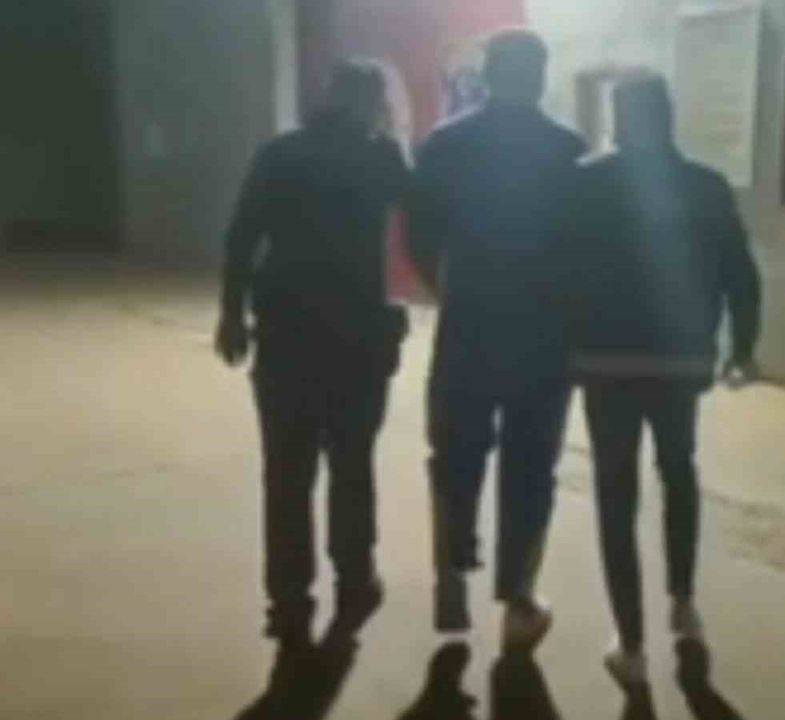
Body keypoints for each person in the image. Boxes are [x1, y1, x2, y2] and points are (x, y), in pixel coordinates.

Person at [565, 74, 762, 689]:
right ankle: (682, 600)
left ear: (618, 120)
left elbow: (556, 273)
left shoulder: (584, 184)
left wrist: (558, 345)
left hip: (606, 364)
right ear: (669, 116)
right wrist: (742, 349)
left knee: (615, 494)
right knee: (678, 472)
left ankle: (630, 645)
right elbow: (741, 275)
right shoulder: (707, 186)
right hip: (679, 363)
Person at [216, 59, 412, 650]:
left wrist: (232, 314)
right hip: (360, 338)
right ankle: (355, 578)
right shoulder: (384, 158)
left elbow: (242, 237)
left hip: (287, 335)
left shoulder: (281, 153)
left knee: (287, 472)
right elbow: (413, 238)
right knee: (352, 465)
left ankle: (288, 597)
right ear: (375, 102)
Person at [406, 29, 586, 651]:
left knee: (455, 451)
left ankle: (451, 578)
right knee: (531, 463)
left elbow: (419, 234)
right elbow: (584, 247)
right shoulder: (567, 149)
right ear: (540, 75)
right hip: (544, 333)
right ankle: (518, 596)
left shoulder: (447, 143)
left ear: (487, 75)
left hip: (470, 324)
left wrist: (448, 288)